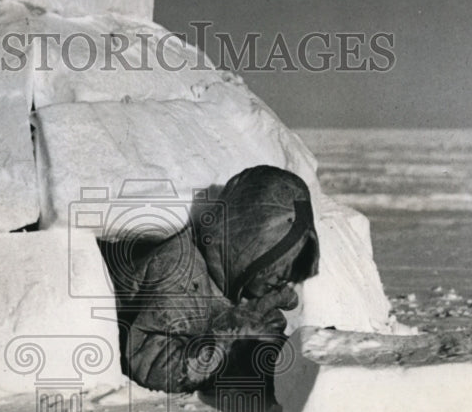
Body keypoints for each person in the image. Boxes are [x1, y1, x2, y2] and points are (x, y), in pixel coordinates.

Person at [103, 165, 320, 393]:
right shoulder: (180, 269)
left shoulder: (238, 280)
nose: (286, 276)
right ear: (245, 246)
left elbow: (260, 333)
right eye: (278, 262)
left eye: (294, 265)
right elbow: (156, 367)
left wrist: (283, 352)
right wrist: (231, 344)